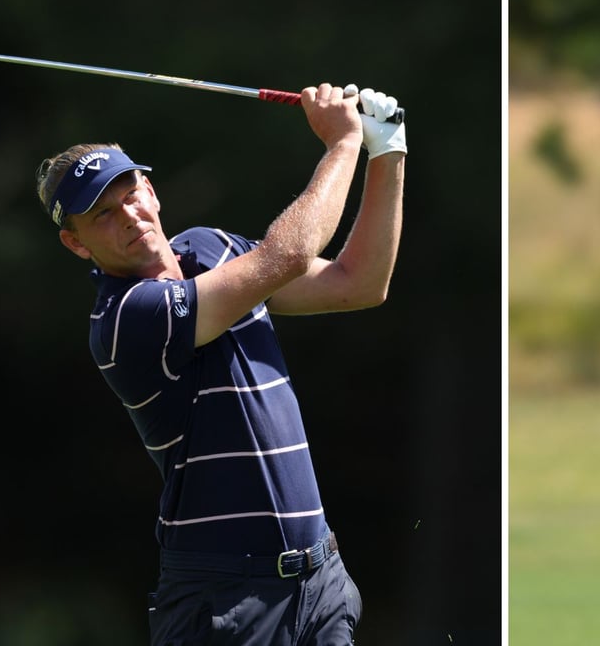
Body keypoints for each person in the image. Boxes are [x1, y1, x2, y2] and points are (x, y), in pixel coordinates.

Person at [34, 82, 406, 645]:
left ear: (152, 192)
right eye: (103, 215)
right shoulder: (127, 318)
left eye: (131, 193)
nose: (129, 216)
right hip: (226, 600)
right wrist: (343, 143)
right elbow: (287, 255)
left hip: (320, 577)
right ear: (75, 243)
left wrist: (388, 152)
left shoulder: (211, 248)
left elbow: (360, 283)